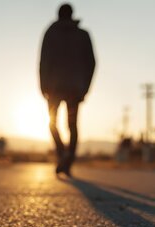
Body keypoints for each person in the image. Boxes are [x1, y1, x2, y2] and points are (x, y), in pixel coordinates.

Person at [40, 3, 96, 176]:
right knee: (72, 125)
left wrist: (43, 86)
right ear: (72, 15)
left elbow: (43, 61)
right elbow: (92, 63)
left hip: (54, 87)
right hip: (75, 87)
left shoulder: (50, 33)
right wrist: (85, 87)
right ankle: (68, 158)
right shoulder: (83, 35)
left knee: (52, 122)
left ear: (58, 15)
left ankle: (62, 154)